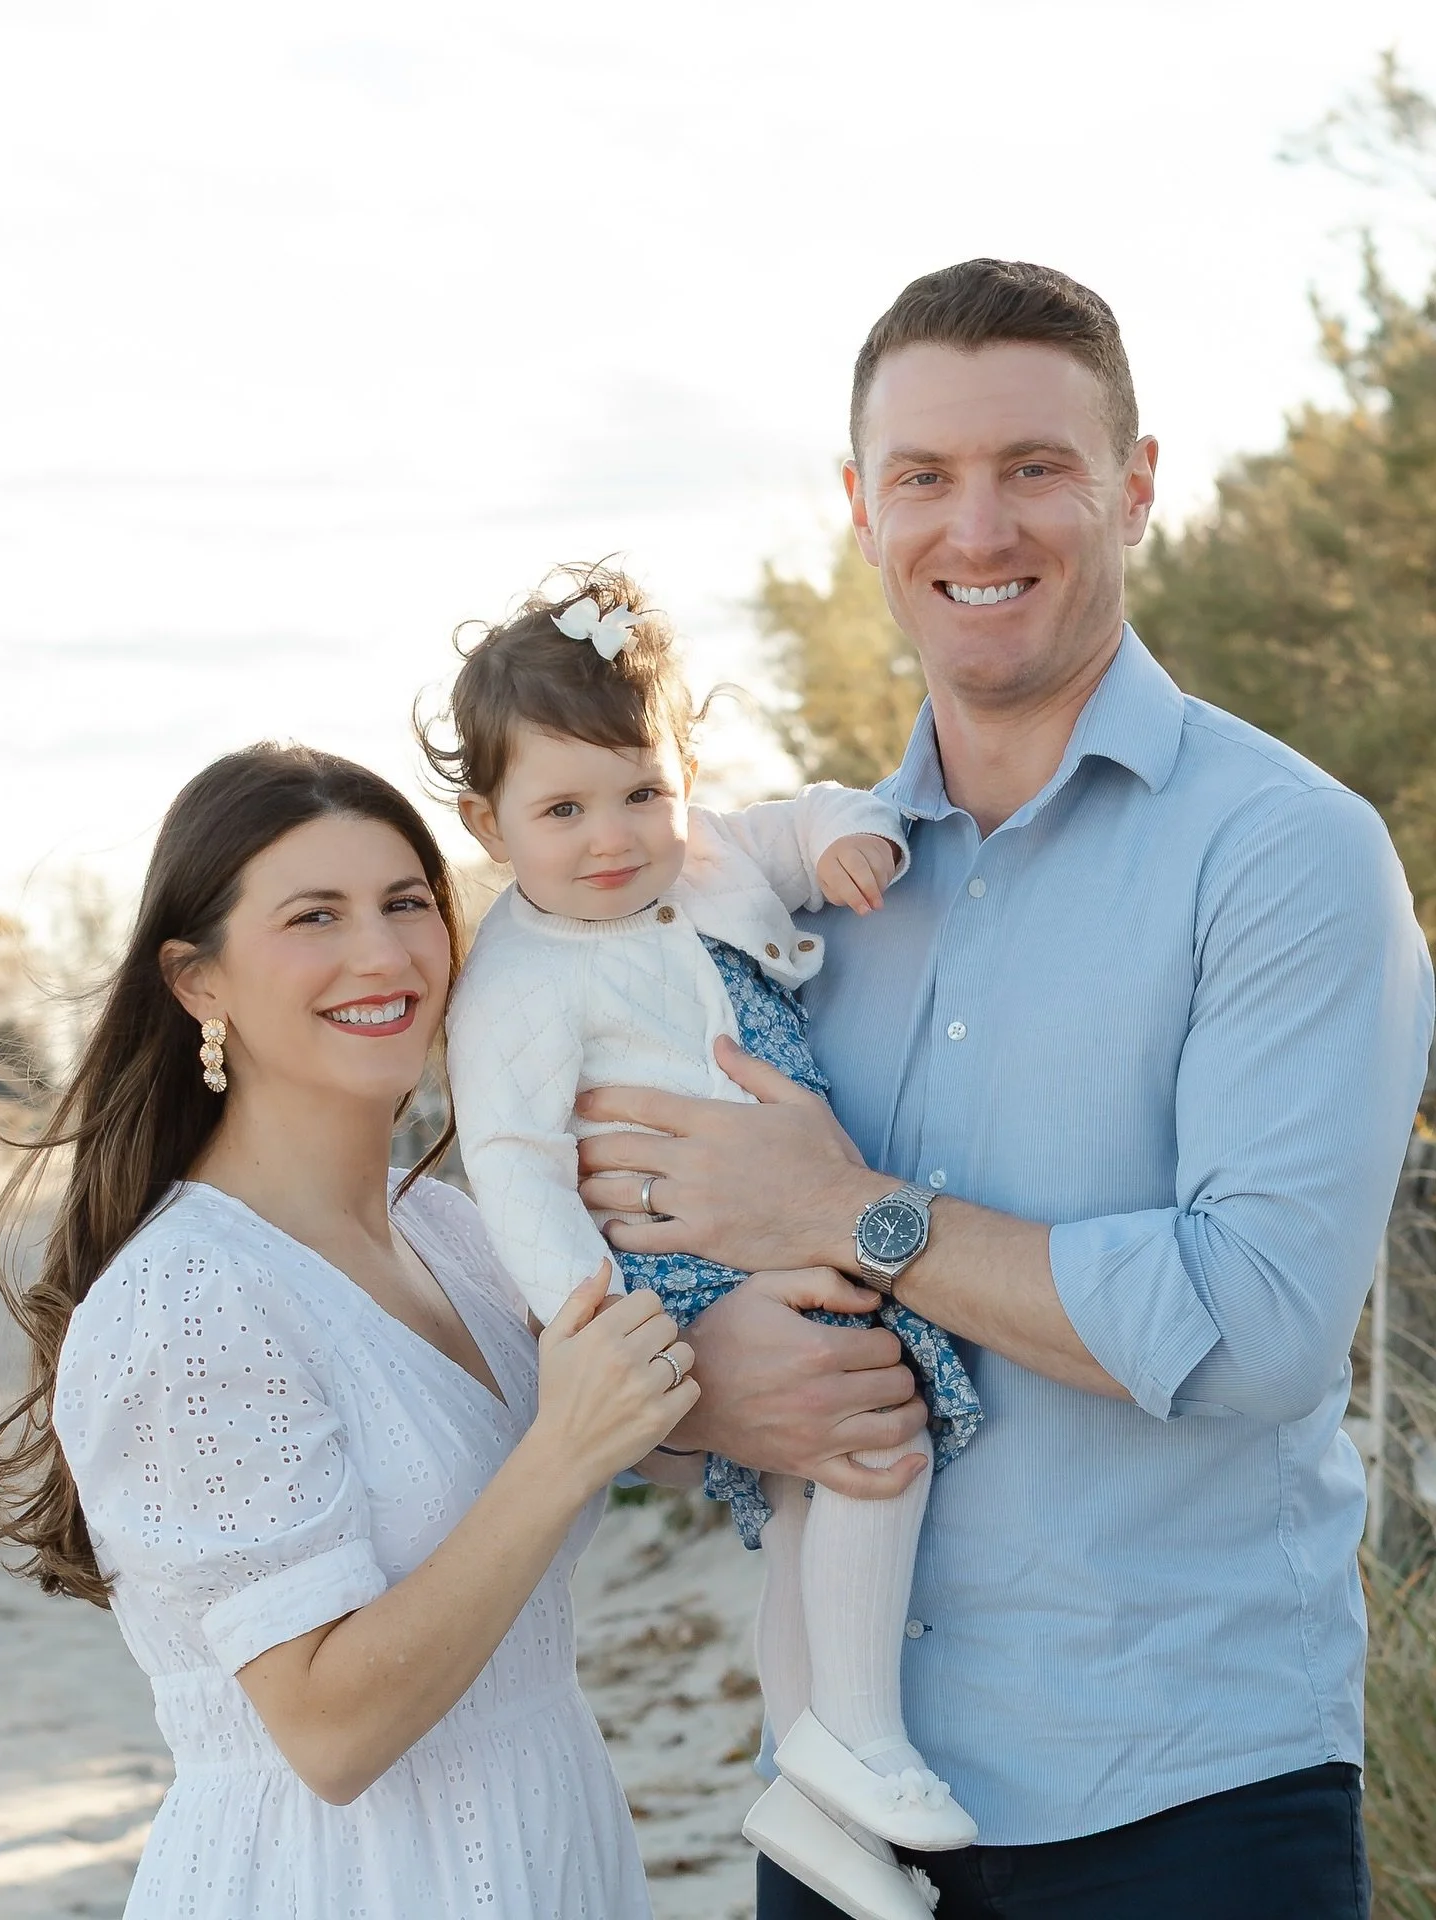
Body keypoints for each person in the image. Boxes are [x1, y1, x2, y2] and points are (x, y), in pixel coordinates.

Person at [573, 260, 1436, 1920]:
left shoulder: (1286, 856)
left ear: (1135, 486)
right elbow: (667, 1288)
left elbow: (1256, 1330)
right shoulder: (798, 898)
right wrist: (712, 1393)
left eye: (1034, 468)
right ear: (860, 510)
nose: (979, 528)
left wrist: (851, 1216)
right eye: (925, 478)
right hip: (836, 1814)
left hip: (1185, 1805)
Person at [0, 743, 701, 1920]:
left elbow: (636, 1428)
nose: (381, 955)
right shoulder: (190, 1297)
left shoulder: (457, 1234)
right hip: (344, 1882)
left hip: (551, 1842)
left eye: (406, 903)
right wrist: (565, 1451)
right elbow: (328, 1734)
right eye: (313, 916)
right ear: (197, 983)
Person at [421, 566, 980, 1913]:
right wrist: (599, 1315)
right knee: (870, 1443)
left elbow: (787, 834)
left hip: (779, 1215)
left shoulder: (703, 852)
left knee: (808, 1492)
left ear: (681, 777)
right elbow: (513, 1168)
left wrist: (850, 832)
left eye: (642, 794)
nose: (613, 838)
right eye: (562, 810)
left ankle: (807, 1783)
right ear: (488, 821)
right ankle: (863, 1739)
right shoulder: (517, 979)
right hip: (676, 1270)